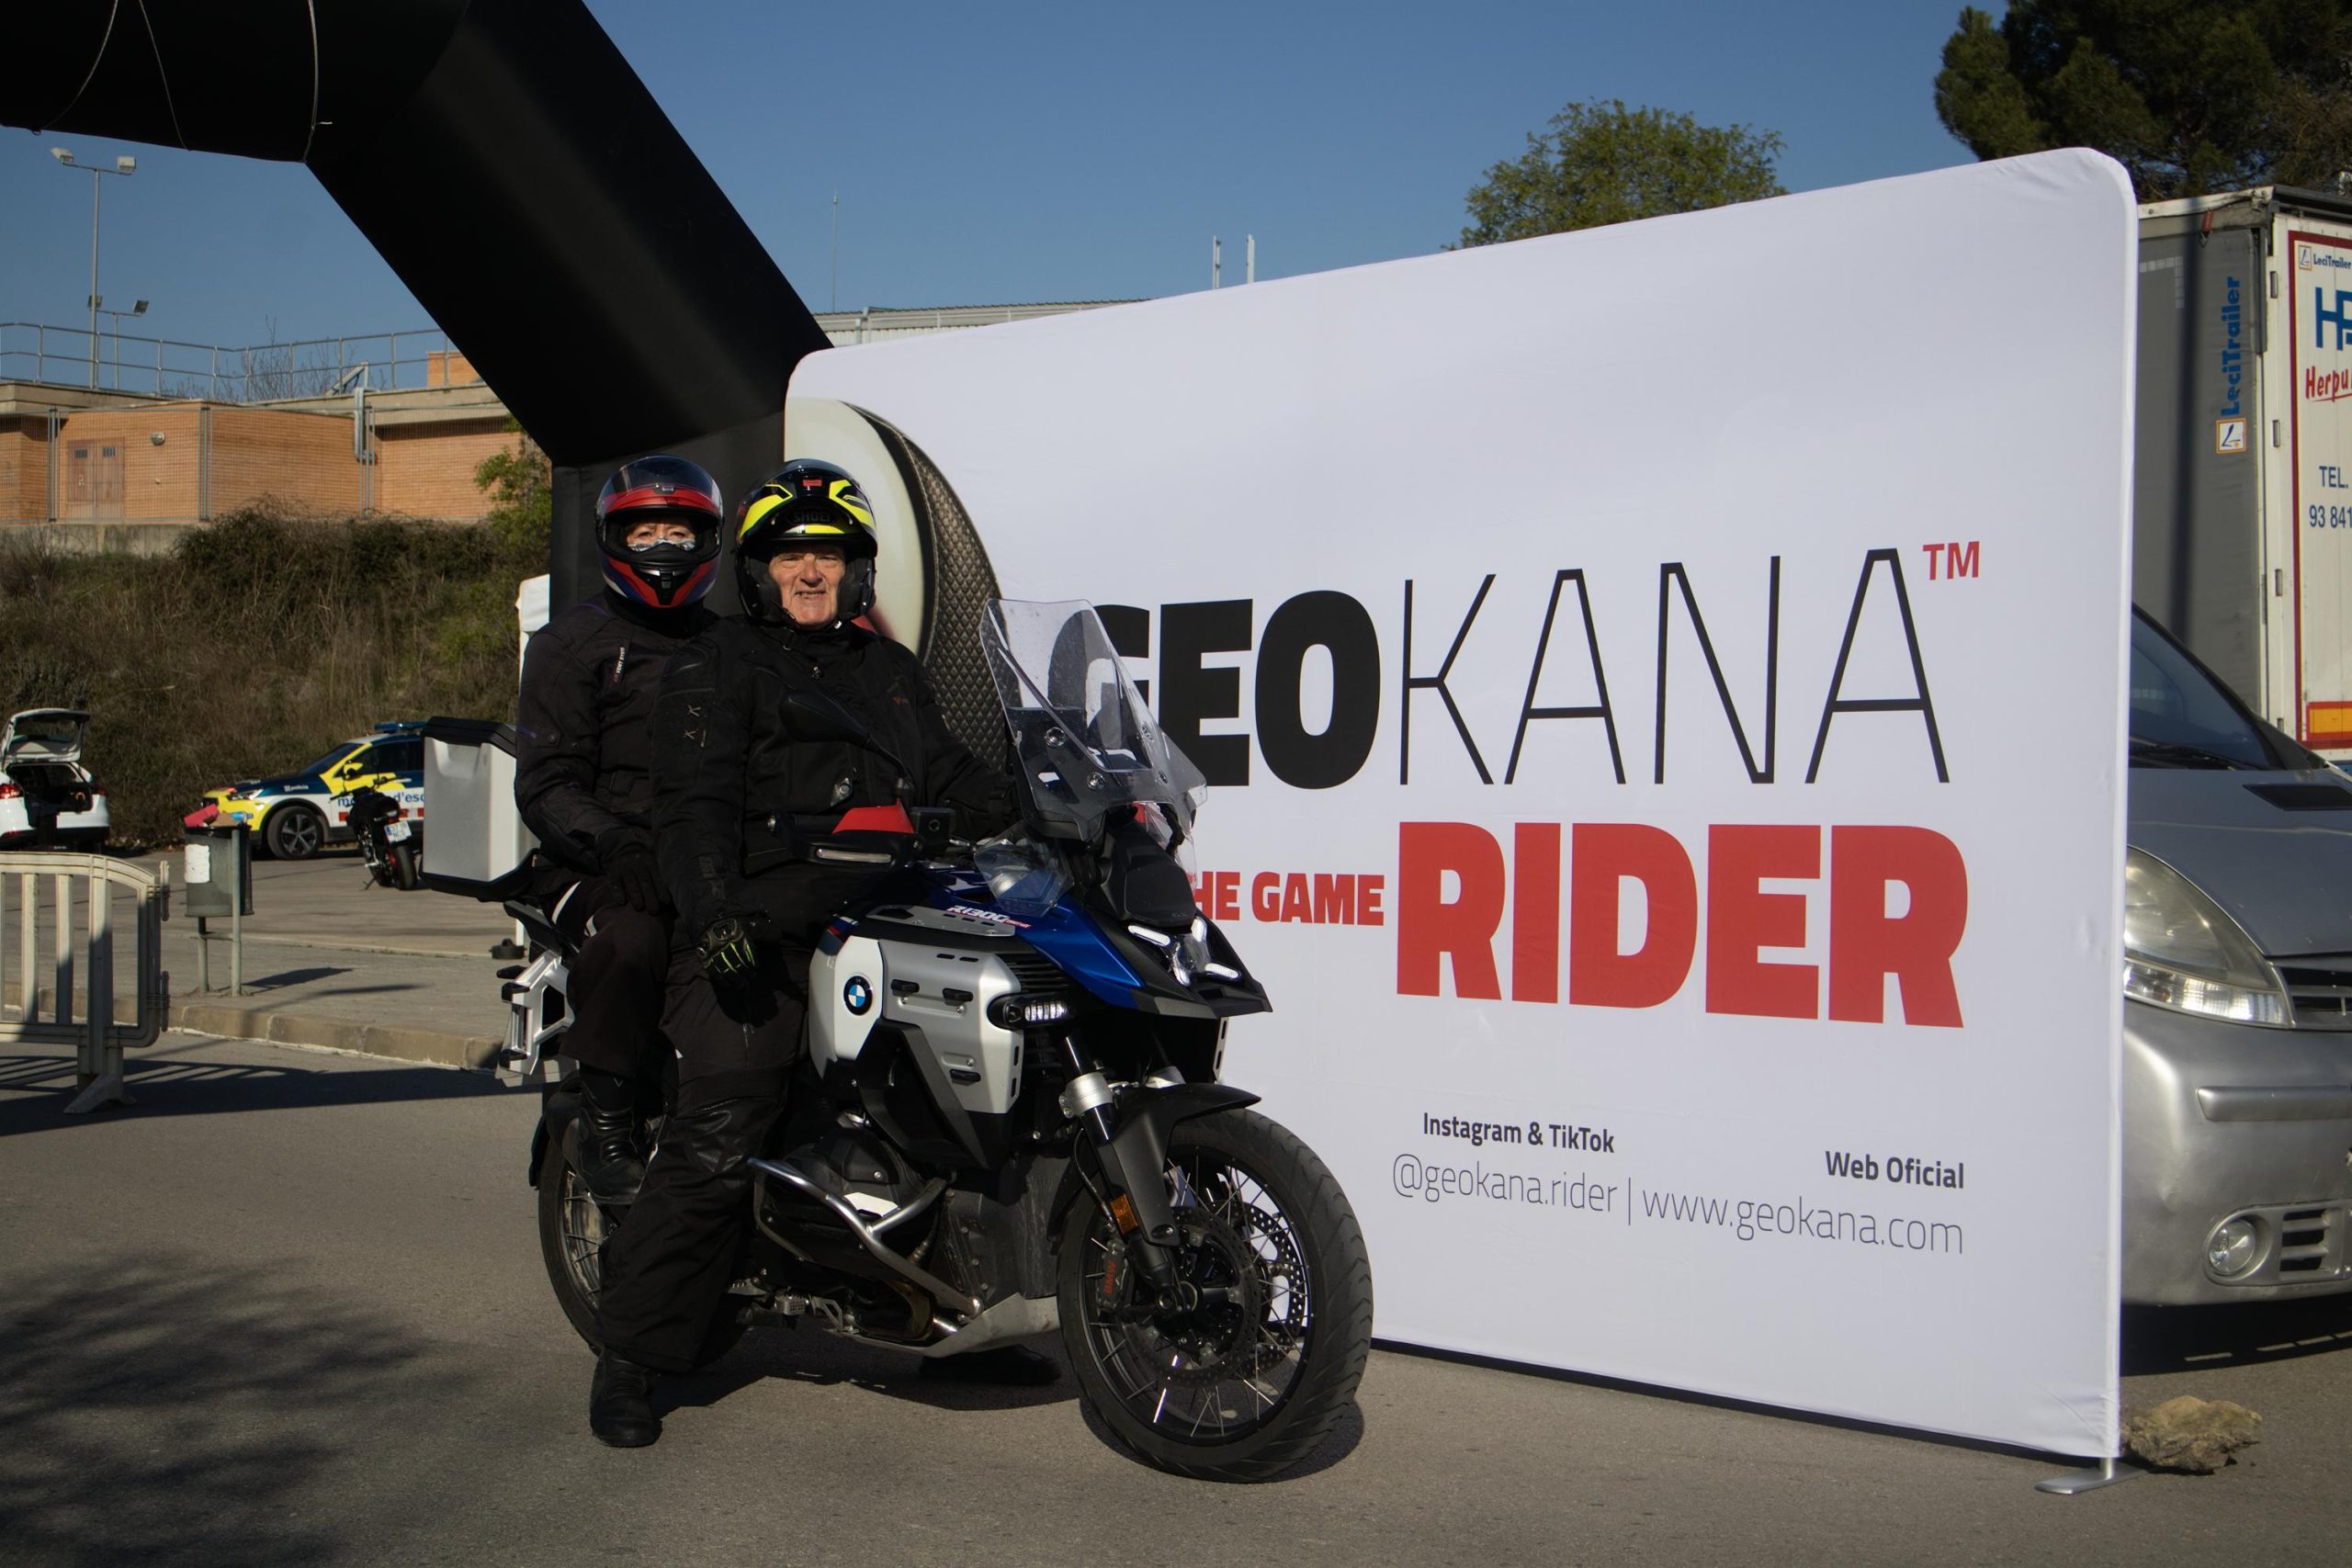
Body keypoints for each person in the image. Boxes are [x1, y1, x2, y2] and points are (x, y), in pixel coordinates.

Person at [586, 457, 1023, 1448]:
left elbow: (954, 772)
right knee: (724, 1123)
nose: (810, 571)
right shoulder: (720, 663)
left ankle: (970, 1318)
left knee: (969, 1106)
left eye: (827, 553)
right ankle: (632, 1353)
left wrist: (1052, 804)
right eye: (790, 555)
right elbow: (691, 808)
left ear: (857, 568)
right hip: (761, 929)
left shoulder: (890, 671)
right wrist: (718, 919)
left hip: (889, 917)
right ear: (759, 570)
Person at [514, 454, 723, 1201]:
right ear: (614, 539)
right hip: (597, 864)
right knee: (633, 940)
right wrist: (613, 839)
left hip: (701, 860)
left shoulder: (729, 647)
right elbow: (545, 781)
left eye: (679, 532)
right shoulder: (571, 644)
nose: (663, 545)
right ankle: (606, 1124)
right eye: (645, 532)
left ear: (707, 541)